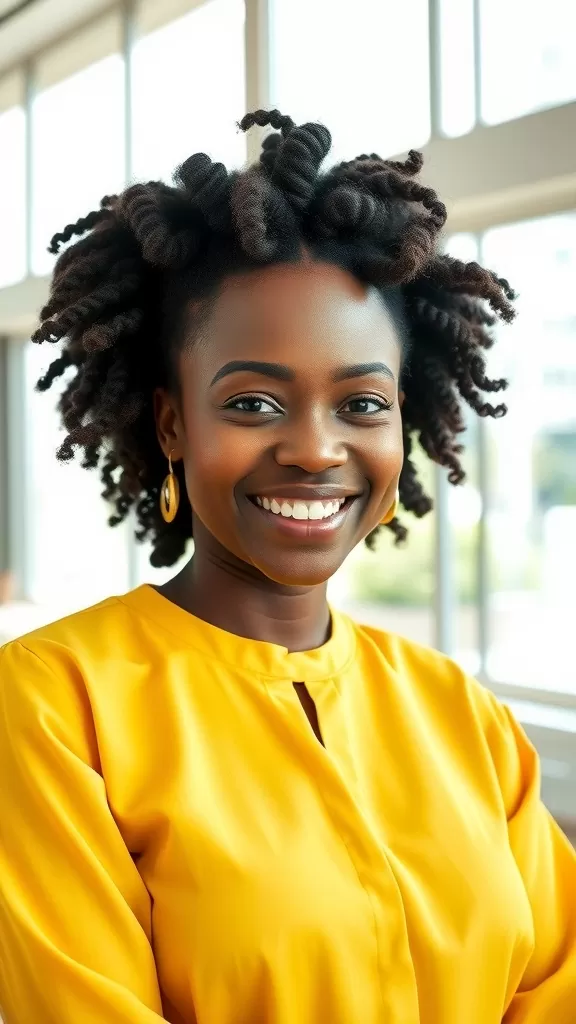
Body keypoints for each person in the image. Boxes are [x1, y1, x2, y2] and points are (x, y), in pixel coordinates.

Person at [0, 108, 574, 1024]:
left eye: (361, 402)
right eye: (255, 402)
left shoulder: (461, 714)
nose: (315, 449)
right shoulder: (53, 707)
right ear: (172, 423)